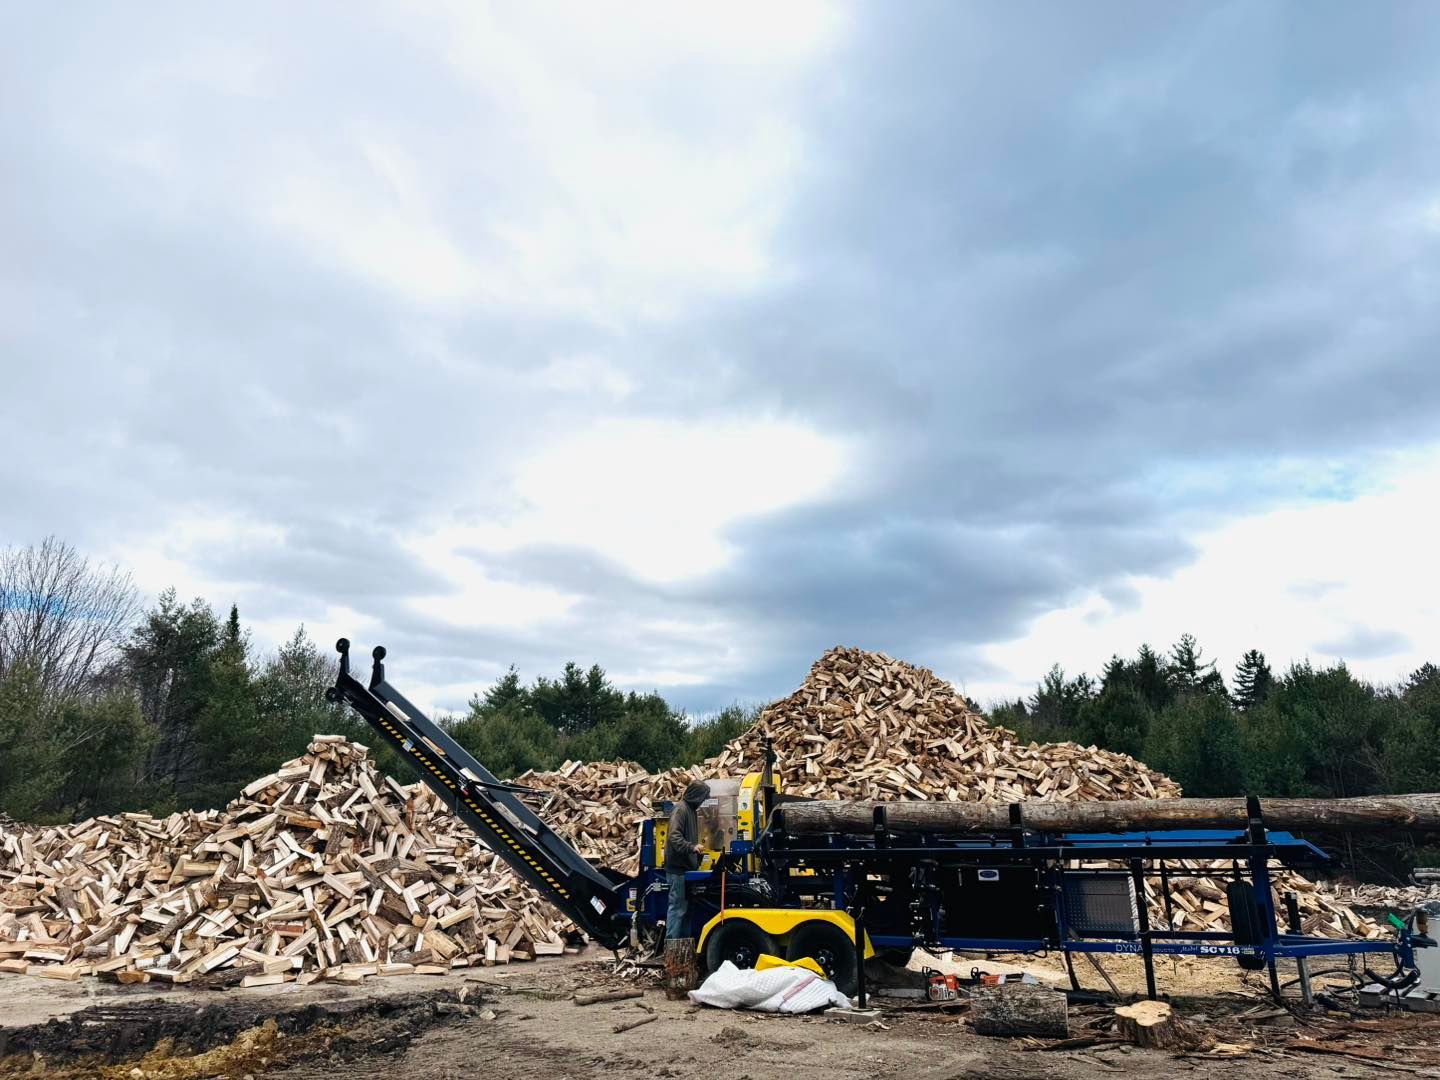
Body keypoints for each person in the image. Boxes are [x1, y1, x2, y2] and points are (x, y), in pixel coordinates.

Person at [664, 781, 710, 940]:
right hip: (678, 869)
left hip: (686, 869)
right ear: (696, 796)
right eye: (702, 798)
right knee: (677, 909)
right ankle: (672, 946)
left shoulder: (690, 810)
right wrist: (692, 847)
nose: (702, 802)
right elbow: (674, 837)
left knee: (686, 909)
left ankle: (682, 948)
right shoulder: (681, 809)